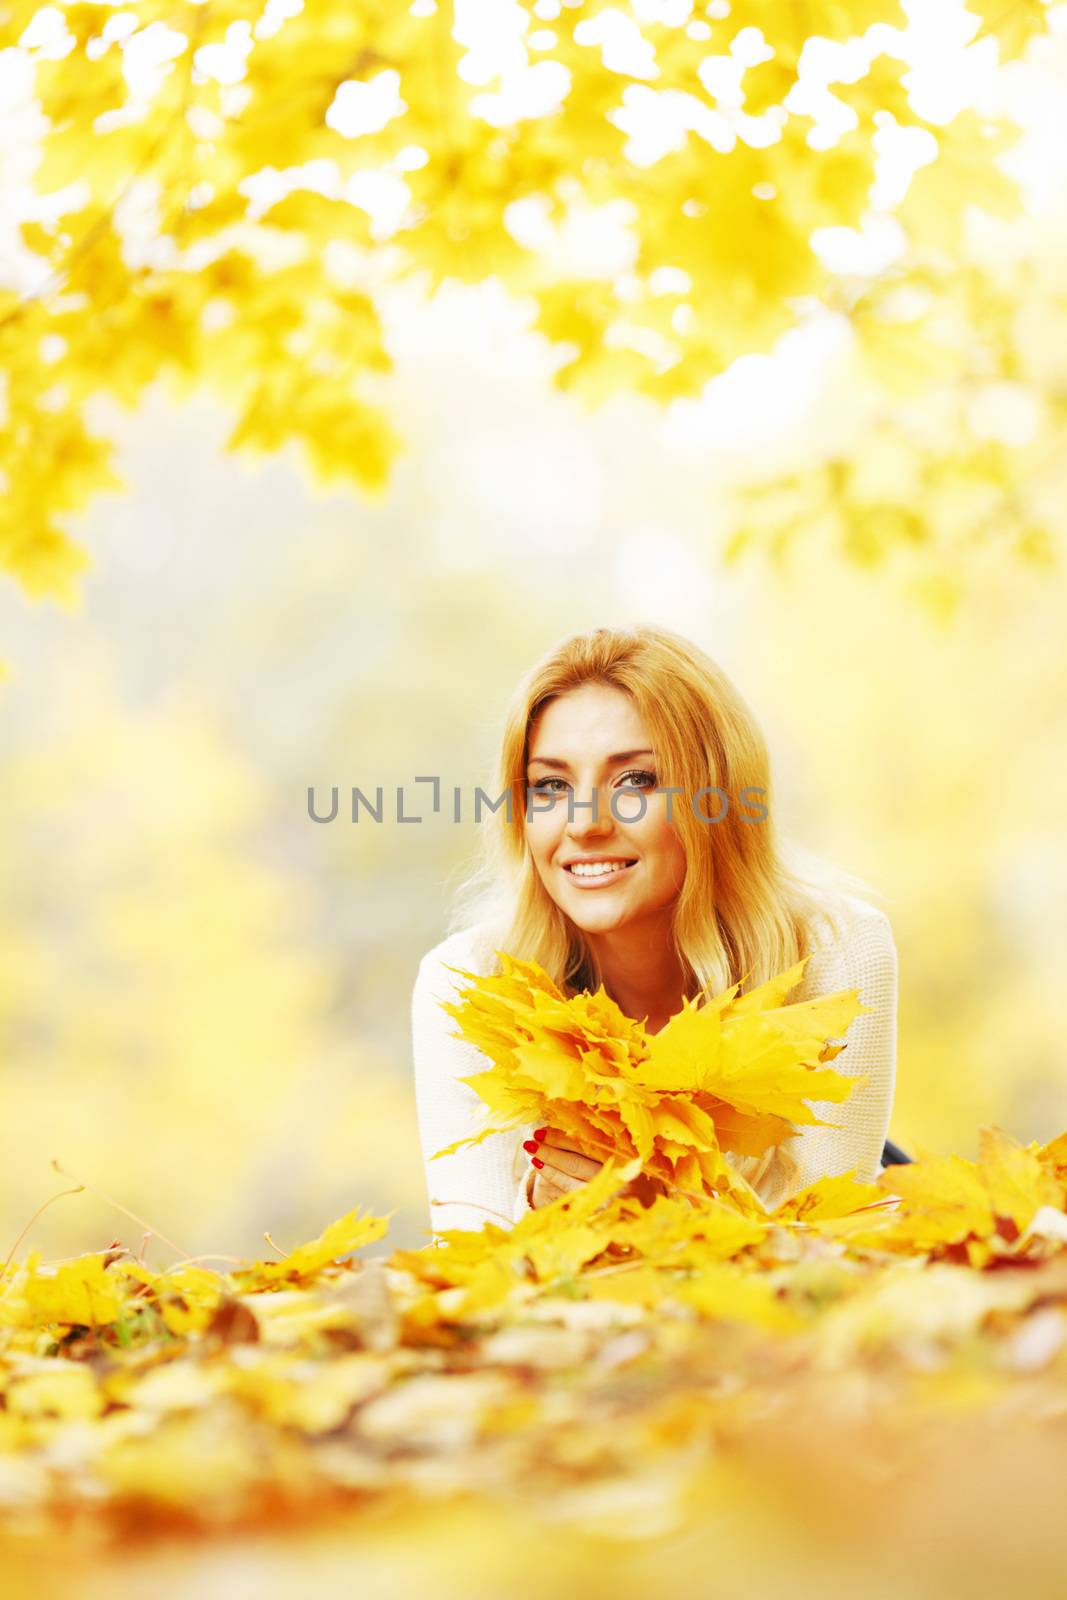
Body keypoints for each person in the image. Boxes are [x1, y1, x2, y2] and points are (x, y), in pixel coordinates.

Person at [411, 625, 898, 1243]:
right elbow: (468, 1256)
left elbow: (832, 1250)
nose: (585, 824)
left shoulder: (836, 951)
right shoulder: (469, 982)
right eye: (551, 786)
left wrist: (660, 1209)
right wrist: (537, 1211)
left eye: (635, 781)